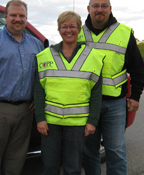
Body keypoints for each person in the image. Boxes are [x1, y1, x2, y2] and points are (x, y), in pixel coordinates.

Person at [0, 0, 44, 175]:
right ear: (5, 17)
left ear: (27, 18)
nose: (17, 19)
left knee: (16, 160)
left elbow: (40, 76)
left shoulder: (36, 45)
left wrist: (36, 97)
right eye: (13, 15)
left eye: (22, 15)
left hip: (25, 111)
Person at [77, 0, 144, 175]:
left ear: (110, 9)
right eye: (95, 6)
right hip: (86, 103)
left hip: (114, 103)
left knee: (116, 150)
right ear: (88, 9)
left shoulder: (124, 32)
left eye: (104, 6)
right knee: (89, 152)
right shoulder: (77, 33)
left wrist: (135, 96)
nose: (100, 9)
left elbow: (138, 67)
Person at [34, 11, 105, 175]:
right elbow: (38, 91)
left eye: (72, 26)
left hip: (78, 125)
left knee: (73, 168)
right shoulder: (44, 56)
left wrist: (92, 121)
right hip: (50, 124)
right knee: (50, 166)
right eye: (64, 27)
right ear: (59, 29)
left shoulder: (93, 57)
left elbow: (96, 93)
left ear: (79, 29)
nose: (68, 30)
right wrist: (40, 119)